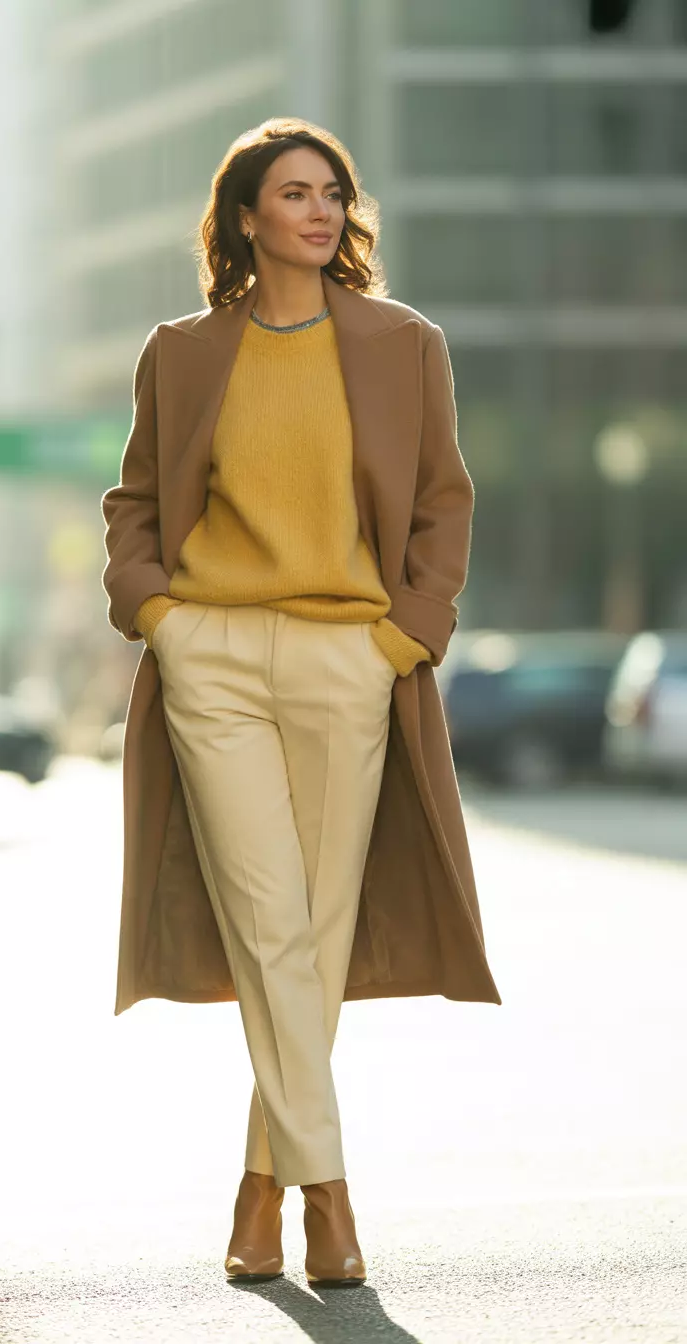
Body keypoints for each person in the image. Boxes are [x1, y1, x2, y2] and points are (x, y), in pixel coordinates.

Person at [101, 117, 501, 1288]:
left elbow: (442, 502)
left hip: (349, 658)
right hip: (212, 659)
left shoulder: (403, 345)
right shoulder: (181, 353)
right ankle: (329, 1196)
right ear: (245, 218)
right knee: (269, 921)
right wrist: (159, 617)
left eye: (333, 193)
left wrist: (403, 637)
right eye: (294, 194)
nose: (321, 211)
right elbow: (136, 503)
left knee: (313, 936)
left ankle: (260, 1183)